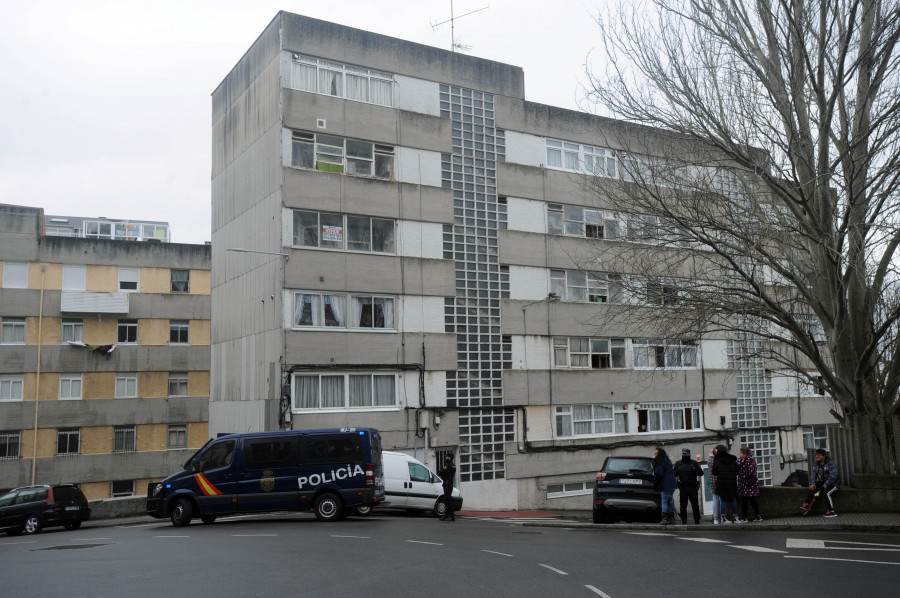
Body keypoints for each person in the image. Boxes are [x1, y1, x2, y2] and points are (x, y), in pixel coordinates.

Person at [803, 448, 839, 517]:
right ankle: (807, 503)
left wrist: (827, 483)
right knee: (814, 486)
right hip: (824, 482)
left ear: (823, 456)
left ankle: (832, 511)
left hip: (833, 483)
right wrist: (812, 483)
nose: (817, 457)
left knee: (826, 493)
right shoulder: (817, 464)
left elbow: (834, 474)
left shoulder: (830, 463)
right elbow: (814, 474)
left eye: (819, 455)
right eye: (816, 455)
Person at [674, 448, 704, 524]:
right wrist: (676, 472)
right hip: (683, 487)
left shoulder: (694, 463)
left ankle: (697, 520)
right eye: (683, 454)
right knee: (683, 505)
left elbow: (701, 473)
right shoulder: (678, 463)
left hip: (692, 487)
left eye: (685, 454)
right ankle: (684, 520)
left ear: (689, 454)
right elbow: (674, 474)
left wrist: (695, 469)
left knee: (694, 505)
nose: (684, 455)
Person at [711, 444, 739, 523]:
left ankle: (723, 518)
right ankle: (735, 518)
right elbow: (737, 471)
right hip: (732, 483)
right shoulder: (733, 460)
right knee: (733, 500)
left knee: (723, 500)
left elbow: (714, 472)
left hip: (721, 484)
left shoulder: (717, 460)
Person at [652, 447, 678, 525]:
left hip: (665, 484)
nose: (654, 454)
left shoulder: (660, 462)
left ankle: (664, 519)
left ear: (659, 454)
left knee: (664, 501)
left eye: (656, 453)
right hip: (672, 484)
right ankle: (671, 519)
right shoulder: (668, 461)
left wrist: (655, 482)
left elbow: (659, 473)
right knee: (670, 501)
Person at [737, 446, 762, 522]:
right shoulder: (753, 460)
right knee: (753, 501)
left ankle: (745, 518)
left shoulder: (740, 461)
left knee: (744, 501)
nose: (739, 454)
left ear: (744, 453)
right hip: (752, 483)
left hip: (744, 483)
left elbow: (735, 468)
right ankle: (758, 516)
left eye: (740, 453)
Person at [438, 451, 457, 521]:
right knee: (448, 500)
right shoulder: (453, 465)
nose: (446, 457)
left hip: (447, 484)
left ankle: (449, 516)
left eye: (447, 457)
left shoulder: (448, 465)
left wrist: (443, 474)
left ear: (450, 457)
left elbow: (440, 472)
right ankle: (450, 516)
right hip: (450, 484)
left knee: (447, 501)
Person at [707, 447, 721, 524]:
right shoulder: (718, 460)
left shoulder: (709, 460)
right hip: (719, 481)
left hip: (712, 482)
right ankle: (722, 517)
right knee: (721, 500)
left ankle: (715, 518)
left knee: (714, 500)